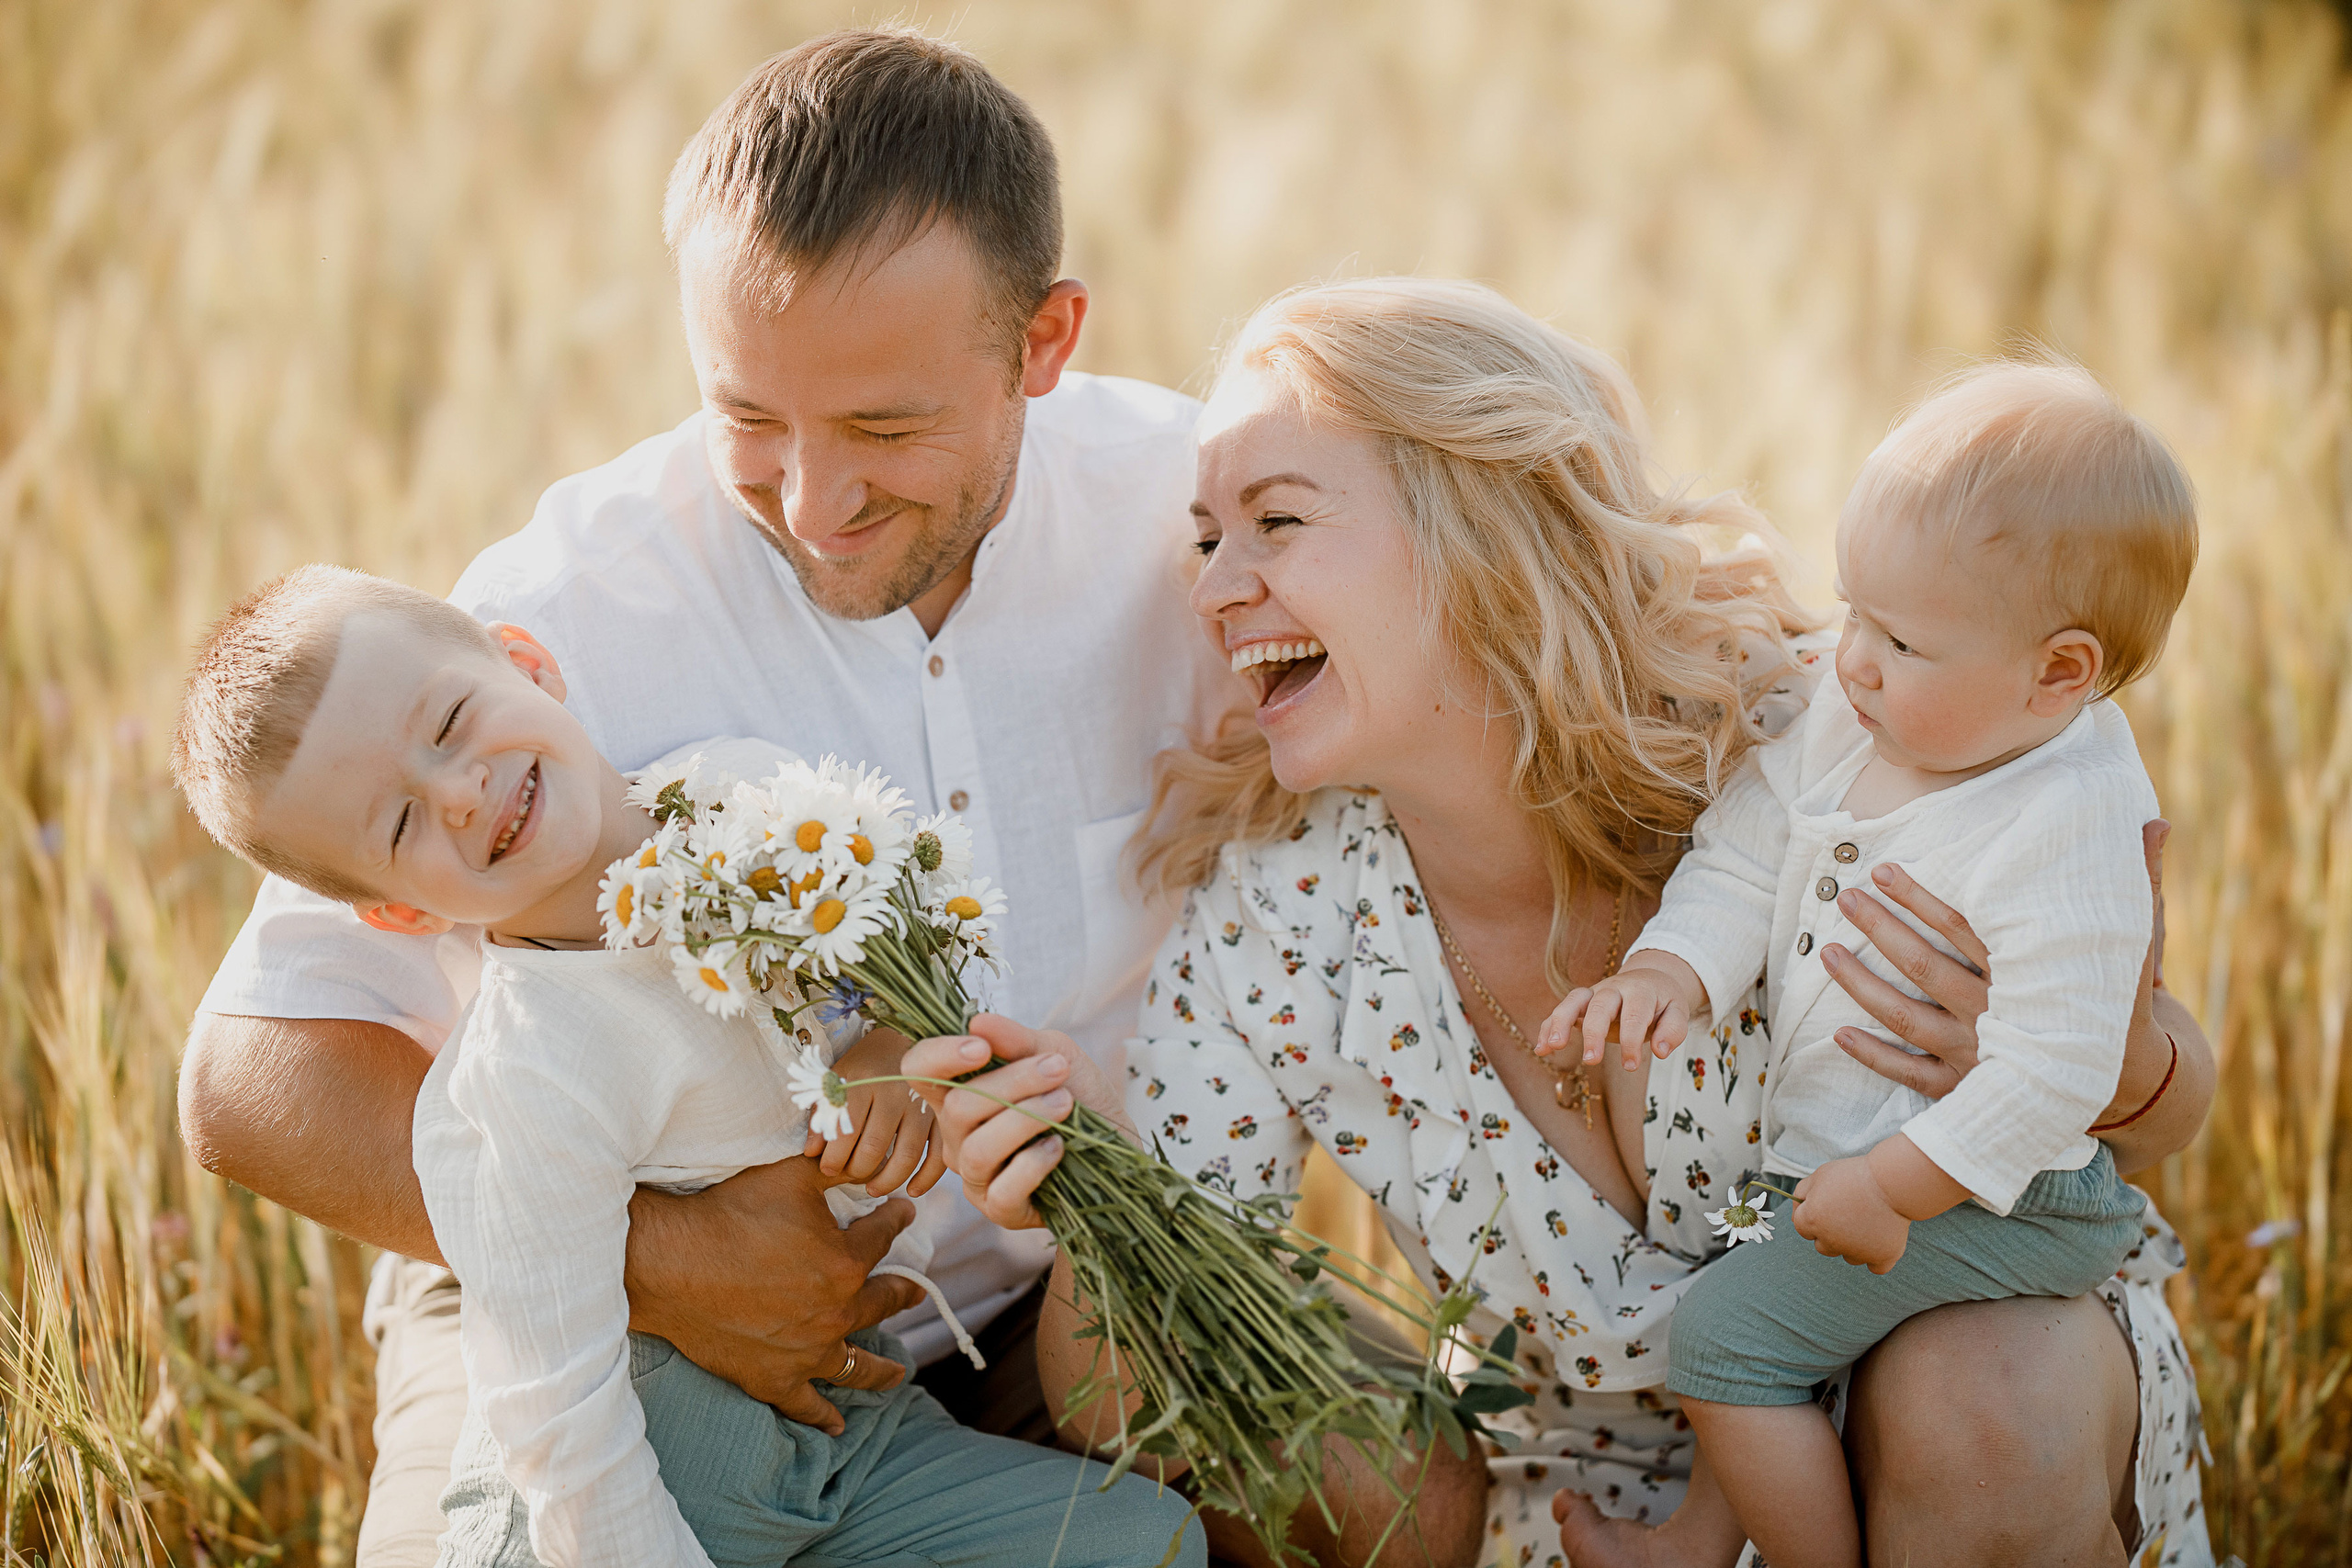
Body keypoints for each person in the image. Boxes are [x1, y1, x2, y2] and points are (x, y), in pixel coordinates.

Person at [907, 276, 2217, 1568]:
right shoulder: (1274, 921)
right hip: (1613, 1499)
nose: (1215, 587)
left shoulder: (1814, 735)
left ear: (1475, 524)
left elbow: (2164, 1101)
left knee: (1979, 1393)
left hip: (1953, 1344)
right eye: (1207, 540)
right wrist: (1092, 1183)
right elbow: (1130, 1388)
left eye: (1277, 521)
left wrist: (2114, 1057)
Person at [175, 31, 1237, 1563]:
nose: (812, 504)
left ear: (1043, 343)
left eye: (884, 427)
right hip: (589, 1320)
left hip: (1034, 1286)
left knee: (1376, 1511)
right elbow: (250, 1078)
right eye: (747, 419)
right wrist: (656, 1263)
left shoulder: (1199, 510)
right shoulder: (552, 619)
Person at [170, 567, 1202, 1568]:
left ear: (527, 663)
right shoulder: (526, 1076)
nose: (459, 792)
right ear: (401, 913)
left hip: (848, 1431)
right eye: (398, 822)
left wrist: (888, 1038)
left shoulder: (746, 796)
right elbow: (563, 1426)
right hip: (645, 1464)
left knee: (1145, 1540)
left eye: (448, 725)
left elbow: (897, 921)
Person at [1542, 362, 2196, 1568]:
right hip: (1823, 1169)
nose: (1852, 657)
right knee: (1727, 1265)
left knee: (1727, 1343)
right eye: (1853, 609)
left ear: (2059, 673)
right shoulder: (1860, 711)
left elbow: (2057, 1068)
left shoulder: (2067, 824)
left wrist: (1894, 1184)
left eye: (1900, 638)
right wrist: (1672, 971)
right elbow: (1745, 847)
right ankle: (1701, 1531)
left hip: (1997, 1194)